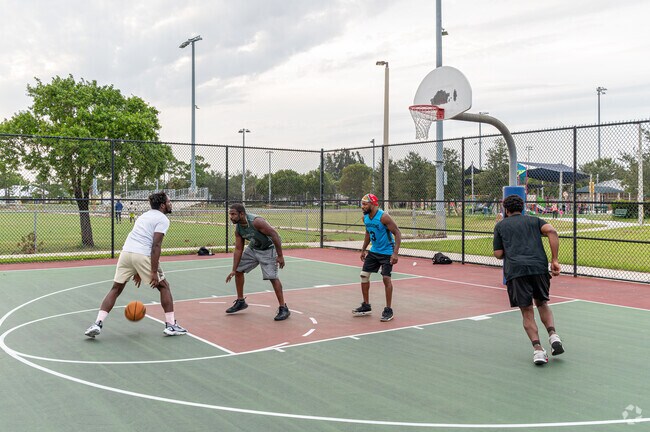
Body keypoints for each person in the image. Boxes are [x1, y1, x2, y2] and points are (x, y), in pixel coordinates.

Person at [85, 192, 187, 337]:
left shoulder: (144, 216)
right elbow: (155, 245)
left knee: (116, 288)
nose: (171, 204)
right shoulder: (162, 219)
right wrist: (152, 271)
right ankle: (171, 325)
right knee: (164, 286)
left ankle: (97, 323)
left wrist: (137, 270)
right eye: (169, 202)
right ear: (163, 205)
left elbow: (140, 237)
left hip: (126, 253)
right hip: (142, 254)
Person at [493, 194, 564, 365]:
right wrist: (555, 259)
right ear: (522, 208)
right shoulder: (535, 221)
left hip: (516, 271)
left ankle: (538, 350)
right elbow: (552, 231)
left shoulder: (500, 226)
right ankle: (553, 335)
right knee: (542, 303)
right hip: (538, 268)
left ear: (506, 210)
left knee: (527, 311)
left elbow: (498, 254)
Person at [225, 203, 290, 321]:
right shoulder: (238, 228)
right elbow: (239, 249)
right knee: (239, 271)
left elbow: (275, 235)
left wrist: (280, 255)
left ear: (242, 214)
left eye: (233, 214)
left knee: (272, 277)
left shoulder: (256, 222)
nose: (231, 217)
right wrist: (234, 269)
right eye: (230, 214)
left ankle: (283, 308)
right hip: (253, 248)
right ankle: (240, 301)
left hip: (268, 249)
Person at [354, 193, 401, 322]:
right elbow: (368, 233)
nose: (362, 207)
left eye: (365, 204)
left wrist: (395, 253)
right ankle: (366, 305)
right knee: (364, 275)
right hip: (374, 251)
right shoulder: (365, 218)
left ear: (373, 204)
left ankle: (388, 309)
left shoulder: (383, 217)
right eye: (361, 204)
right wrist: (363, 249)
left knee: (386, 279)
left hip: (387, 252)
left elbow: (397, 232)